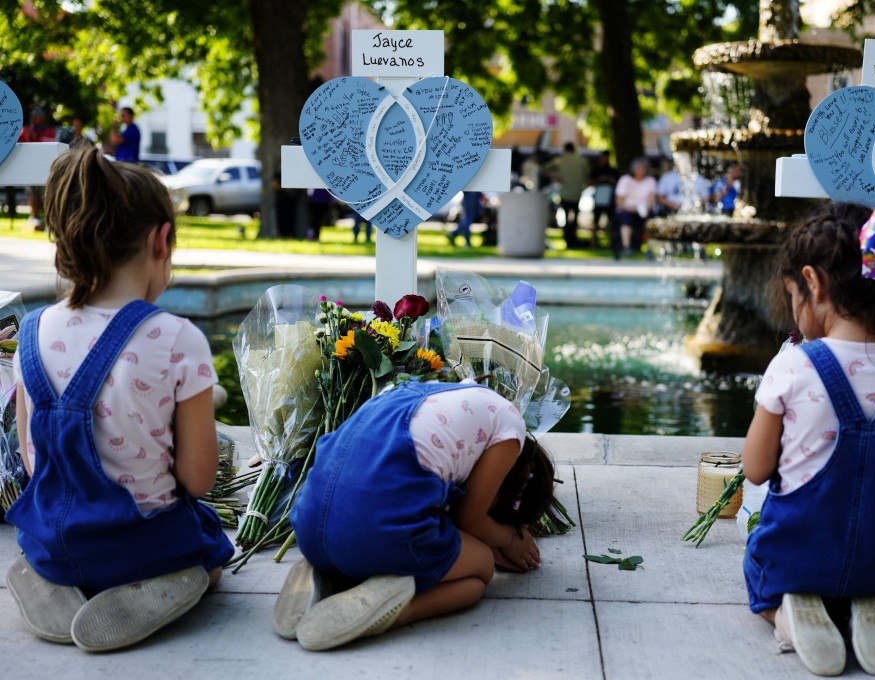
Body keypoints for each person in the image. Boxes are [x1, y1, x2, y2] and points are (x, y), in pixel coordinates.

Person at [4, 147, 234, 652]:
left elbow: (30, 457)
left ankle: (50, 579)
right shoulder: (177, 339)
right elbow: (197, 479)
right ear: (162, 240)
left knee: (50, 540)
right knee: (214, 557)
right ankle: (162, 585)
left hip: (55, 542)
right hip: (143, 546)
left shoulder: (32, 334)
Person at [741, 202, 875, 676]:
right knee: (873, 538)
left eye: (793, 294)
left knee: (755, 553)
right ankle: (866, 607)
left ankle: (785, 613)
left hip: (797, 559)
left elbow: (754, 468)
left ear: (813, 283)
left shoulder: (794, 364)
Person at [276, 379, 557, 651]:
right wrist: (507, 538)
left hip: (309, 526)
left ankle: (327, 573)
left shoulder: (440, 395)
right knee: (479, 571)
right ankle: (392, 611)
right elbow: (469, 520)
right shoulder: (510, 429)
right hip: (369, 534)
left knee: (367, 523)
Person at [542, 142, 590, 248]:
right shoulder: (581, 162)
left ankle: (567, 239)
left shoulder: (560, 161)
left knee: (566, 216)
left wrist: (555, 177)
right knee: (575, 217)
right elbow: (587, 175)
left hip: (565, 193)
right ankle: (572, 239)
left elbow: (544, 168)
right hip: (577, 193)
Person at [18, 107, 57, 230]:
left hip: (44, 166)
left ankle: (48, 217)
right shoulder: (26, 130)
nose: (35, 118)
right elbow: (19, 143)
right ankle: (34, 215)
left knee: (46, 192)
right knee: (31, 191)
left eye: (37, 116)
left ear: (42, 117)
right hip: (29, 166)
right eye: (33, 116)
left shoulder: (49, 130)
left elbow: (50, 142)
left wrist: (38, 137)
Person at [613, 157, 657, 260]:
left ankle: (650, 249)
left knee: (651, 221)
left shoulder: (650, 181)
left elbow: (651, 199)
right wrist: (631, 208)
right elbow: (619, 201)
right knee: (625, 218)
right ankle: (626, 246)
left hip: (644, 209)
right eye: (640, 168)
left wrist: (646, 208)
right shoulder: (625, 180)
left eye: (644, 169)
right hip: (627, 208)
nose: (642, 171)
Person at [589, 151, 618, 248]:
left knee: (611, 222)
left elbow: (617, 183)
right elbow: (589, 182)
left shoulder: (612, 170)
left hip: (609, 199)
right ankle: (593, 243)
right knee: (595, 222)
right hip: (598, 198)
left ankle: (611, 242)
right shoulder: (596, 170)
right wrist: (599, 180)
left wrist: (610, 180)